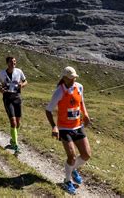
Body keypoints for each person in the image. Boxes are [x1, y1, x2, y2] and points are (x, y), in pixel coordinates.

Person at [45, 66, 91, 195]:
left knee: (86, 154)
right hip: (65, 128)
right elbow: (48, 110)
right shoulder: (59, 92)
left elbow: (81, 101)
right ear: (64, 78)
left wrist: (85, 114)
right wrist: (54, 126)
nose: (73, 80)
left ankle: (73, 169)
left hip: (78, 126)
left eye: (74, 78)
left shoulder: (79, 87)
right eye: (70, 78)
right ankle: (67, 180)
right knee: (71, 155)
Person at [0, 56, 27, 154]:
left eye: (15, 61)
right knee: (13, 121)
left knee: (18, 122)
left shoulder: (19, 72)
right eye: (11, 62)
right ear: (7, 63)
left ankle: (13, 139)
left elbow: (25, 81)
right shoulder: (2, 73)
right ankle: (16, 145)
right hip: (7, 98)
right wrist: (0, 89)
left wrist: (23, 85)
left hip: (17, 97)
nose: (13, 63)